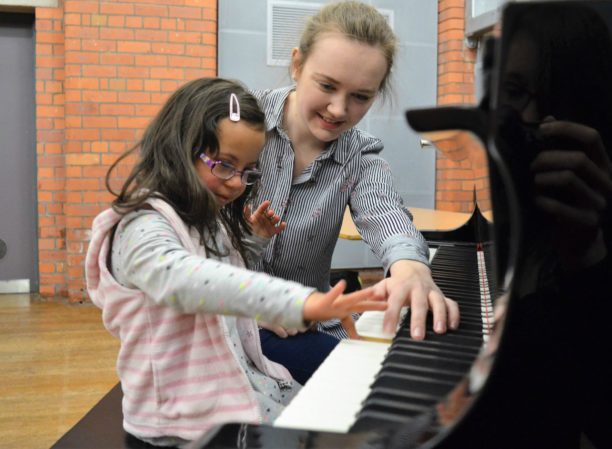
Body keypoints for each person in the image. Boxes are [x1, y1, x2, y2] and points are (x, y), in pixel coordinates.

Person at [84, 77, 388, 447]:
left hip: (226, 394)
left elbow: (227, 275)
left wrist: (255, 240)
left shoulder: (204, 219)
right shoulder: (140, 227)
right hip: (175, 428)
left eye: (247, 172)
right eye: (224, 165)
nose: (235, 184)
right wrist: (299, 302)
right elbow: (190, 281)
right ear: (180, 148)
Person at [250, 0, 460, 382]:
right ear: (297, 64)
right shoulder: (237, 123)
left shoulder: (360, 155)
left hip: (308, 323)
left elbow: (386, 214)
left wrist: (410, 267)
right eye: (327, 85)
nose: (338, 109)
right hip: (221, 320)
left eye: (361, 96)